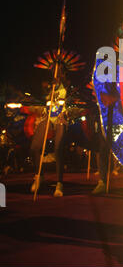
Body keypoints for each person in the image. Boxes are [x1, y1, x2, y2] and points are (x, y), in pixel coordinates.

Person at [30, 66, 69, 197]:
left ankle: (59, 183)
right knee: (35, 147)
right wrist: (48, 88)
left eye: (58, 72)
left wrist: (60, 81)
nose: (56, 74)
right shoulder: (47, 85)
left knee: (58, 148)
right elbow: (39, 95)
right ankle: (38, 176)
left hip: (61, 116)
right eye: (53, 72)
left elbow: (71, 98)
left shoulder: (67, 85)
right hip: (47, 116)